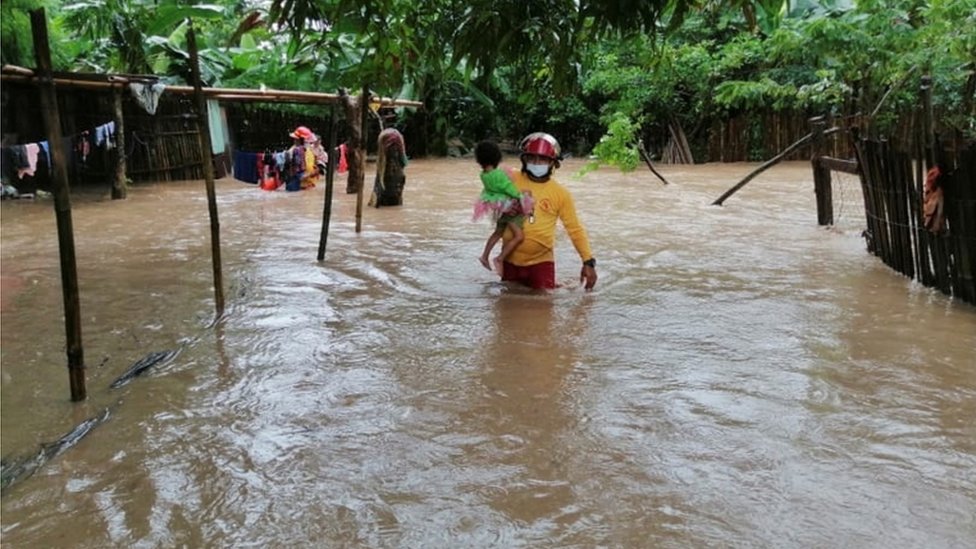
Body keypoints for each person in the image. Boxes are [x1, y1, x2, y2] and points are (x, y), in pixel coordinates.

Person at [499, 132, 598, 290]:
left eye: (543, 159)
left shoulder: (560, 193)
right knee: (506, 305)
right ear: (524, 160)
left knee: (544, 307)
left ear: (553, 163)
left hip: (541, 263)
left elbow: (575, 229)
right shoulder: (510, 178)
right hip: (509, 261)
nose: (537, 163)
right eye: (532, 158)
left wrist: (588, 262)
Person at [472, 140, 535, 273]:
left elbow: (491, 191)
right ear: (496, 157)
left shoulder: (484, 175)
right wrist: (521, 197)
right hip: (509, 209)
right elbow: (508, 188)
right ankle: (500, 258)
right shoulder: (498, 174)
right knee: (519, 236)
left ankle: (484, 256)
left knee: (497, 233)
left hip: (501, 209)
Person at [369, 128, 408, 207]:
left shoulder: (382, 167)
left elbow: (377, 191)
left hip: (390, 185)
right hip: (395, 183)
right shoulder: (399, 166)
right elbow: (404, 162)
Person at [285, 126, 311, 192]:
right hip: (301, 173)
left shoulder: (295, 150)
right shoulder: (303, 148)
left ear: (298, 139)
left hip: (294, 175)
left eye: (294, 138)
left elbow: (296, 162)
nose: (293, 140)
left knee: (291, 192)